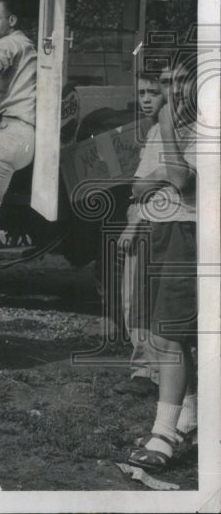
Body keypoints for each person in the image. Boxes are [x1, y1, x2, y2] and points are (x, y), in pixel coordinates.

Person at [127, 53, 199, 470]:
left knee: (173, 335)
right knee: (167, 334)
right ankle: (180, 422)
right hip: (166, 228)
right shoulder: (167, 128)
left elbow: (181, 179)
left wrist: (169, 130)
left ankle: (163, 437)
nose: (172, 91)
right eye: (166, 82)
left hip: (189, 233)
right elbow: (137, 186)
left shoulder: (195, 126)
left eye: (179, 81)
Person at [113, 70, 168, 397]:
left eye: (153, 92)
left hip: (151, 219)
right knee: (135, 296)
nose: (146, 99)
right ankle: (146, 367)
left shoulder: (165, 132)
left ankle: (147, 370)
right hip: (145, 213)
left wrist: (134, 223)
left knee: (139, 297)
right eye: (142, 93)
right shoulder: (155, 132)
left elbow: (151, 185)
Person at [0, 0, 37, 254]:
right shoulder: (27, 45)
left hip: (9, 133)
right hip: (26, 135)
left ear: (11, 20)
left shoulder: (7, 44)